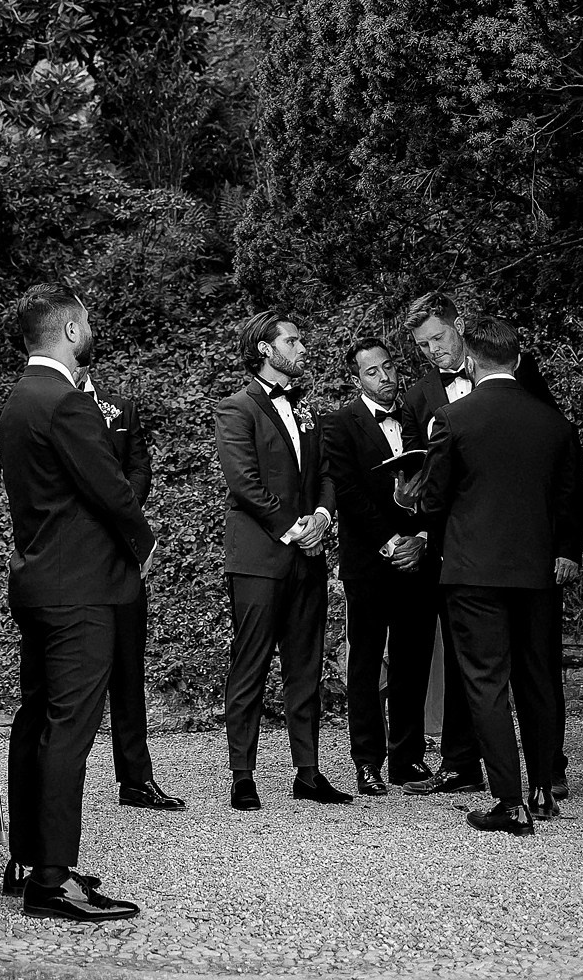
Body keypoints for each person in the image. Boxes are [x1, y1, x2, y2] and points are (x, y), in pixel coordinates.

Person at [0, 284, 156, 920]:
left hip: (40, 580)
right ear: (68, 331)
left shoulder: (17, 400)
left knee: (36, 720)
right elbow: (111, 489)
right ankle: (51, 881)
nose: (91, 329)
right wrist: (142, 544)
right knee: (69, 731)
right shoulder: (66, 402)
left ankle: (28, 858)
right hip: (82, 589)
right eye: (85, 322)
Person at [416, 316, 583, 835]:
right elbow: (572, 500)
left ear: (471, 358)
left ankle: (509, 801)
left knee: (486, 682)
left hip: (474, 571)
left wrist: (412, 493)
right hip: (537, 571)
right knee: (537, 679)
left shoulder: (454, 418)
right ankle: (542, 790)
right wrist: (564, 552)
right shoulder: (554, 423)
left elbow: (435, 499)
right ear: (516, 359)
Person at [214, 309, 351, 810]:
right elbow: (244, 484)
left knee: (305, 666)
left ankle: (308, 773)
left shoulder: (307, 409)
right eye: (292, 342)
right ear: (266, 350)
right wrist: (297, 531)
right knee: (249, 664)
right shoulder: (237, 407)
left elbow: (328, 474)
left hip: (308, 555)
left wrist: (321, 515)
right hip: (258, 558)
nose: (301, 348)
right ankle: (242, 774)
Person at [322, 336, 443, 795]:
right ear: (357, 378)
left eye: (388, 366)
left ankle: (407, 760)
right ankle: (367, 762)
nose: (385, 377)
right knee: (366, 665)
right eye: (372, 371)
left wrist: (422, 536)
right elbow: (348, 494)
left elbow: (440, 479)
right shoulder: (339, 424)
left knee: (414, 661)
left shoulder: (417, 417)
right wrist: (392, 542)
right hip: (370, 563)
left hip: (419, 558)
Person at [83, 366, 185, 810]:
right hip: (80, 555)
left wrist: (124, 509)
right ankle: (65, 780)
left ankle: (135, 778)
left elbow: (140, 466)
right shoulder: (53, 407)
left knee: (129, 668)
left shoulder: (120, 407)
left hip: (124, 552)